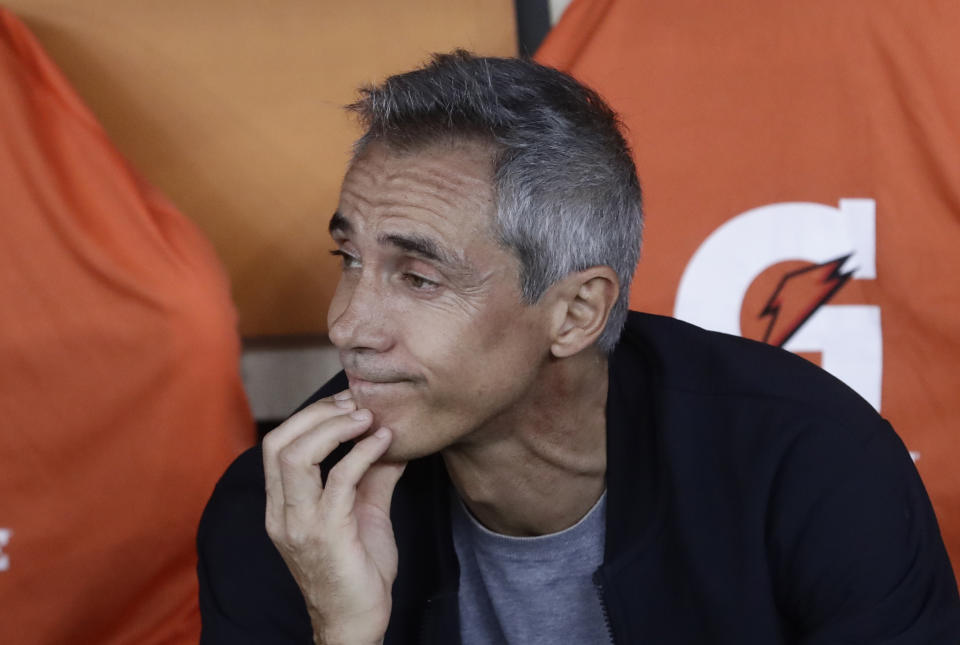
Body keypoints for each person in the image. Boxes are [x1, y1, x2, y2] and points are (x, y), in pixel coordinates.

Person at [197, 51, 960, 644]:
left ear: (575, 313)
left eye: (419, 277)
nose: (348, 324)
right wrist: (344, 629)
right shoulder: (285, 513)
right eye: (350, 260)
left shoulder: (812, 463)